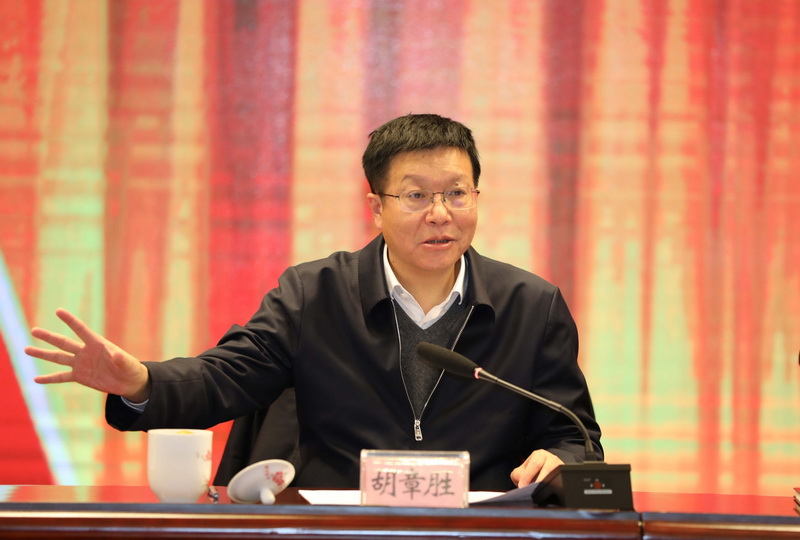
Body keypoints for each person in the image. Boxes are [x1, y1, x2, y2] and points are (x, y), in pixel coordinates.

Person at [25, 113, 602, 491]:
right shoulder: (315, 293)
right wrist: (142, 382)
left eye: (456, 193)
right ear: (375, 207)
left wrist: (564, 462)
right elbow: (227, 377)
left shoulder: (532, 306)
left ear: (477, 197)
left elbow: (575, 434)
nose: (439, 214)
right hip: (339, 530)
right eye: (415, 196)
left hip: (478, 533)